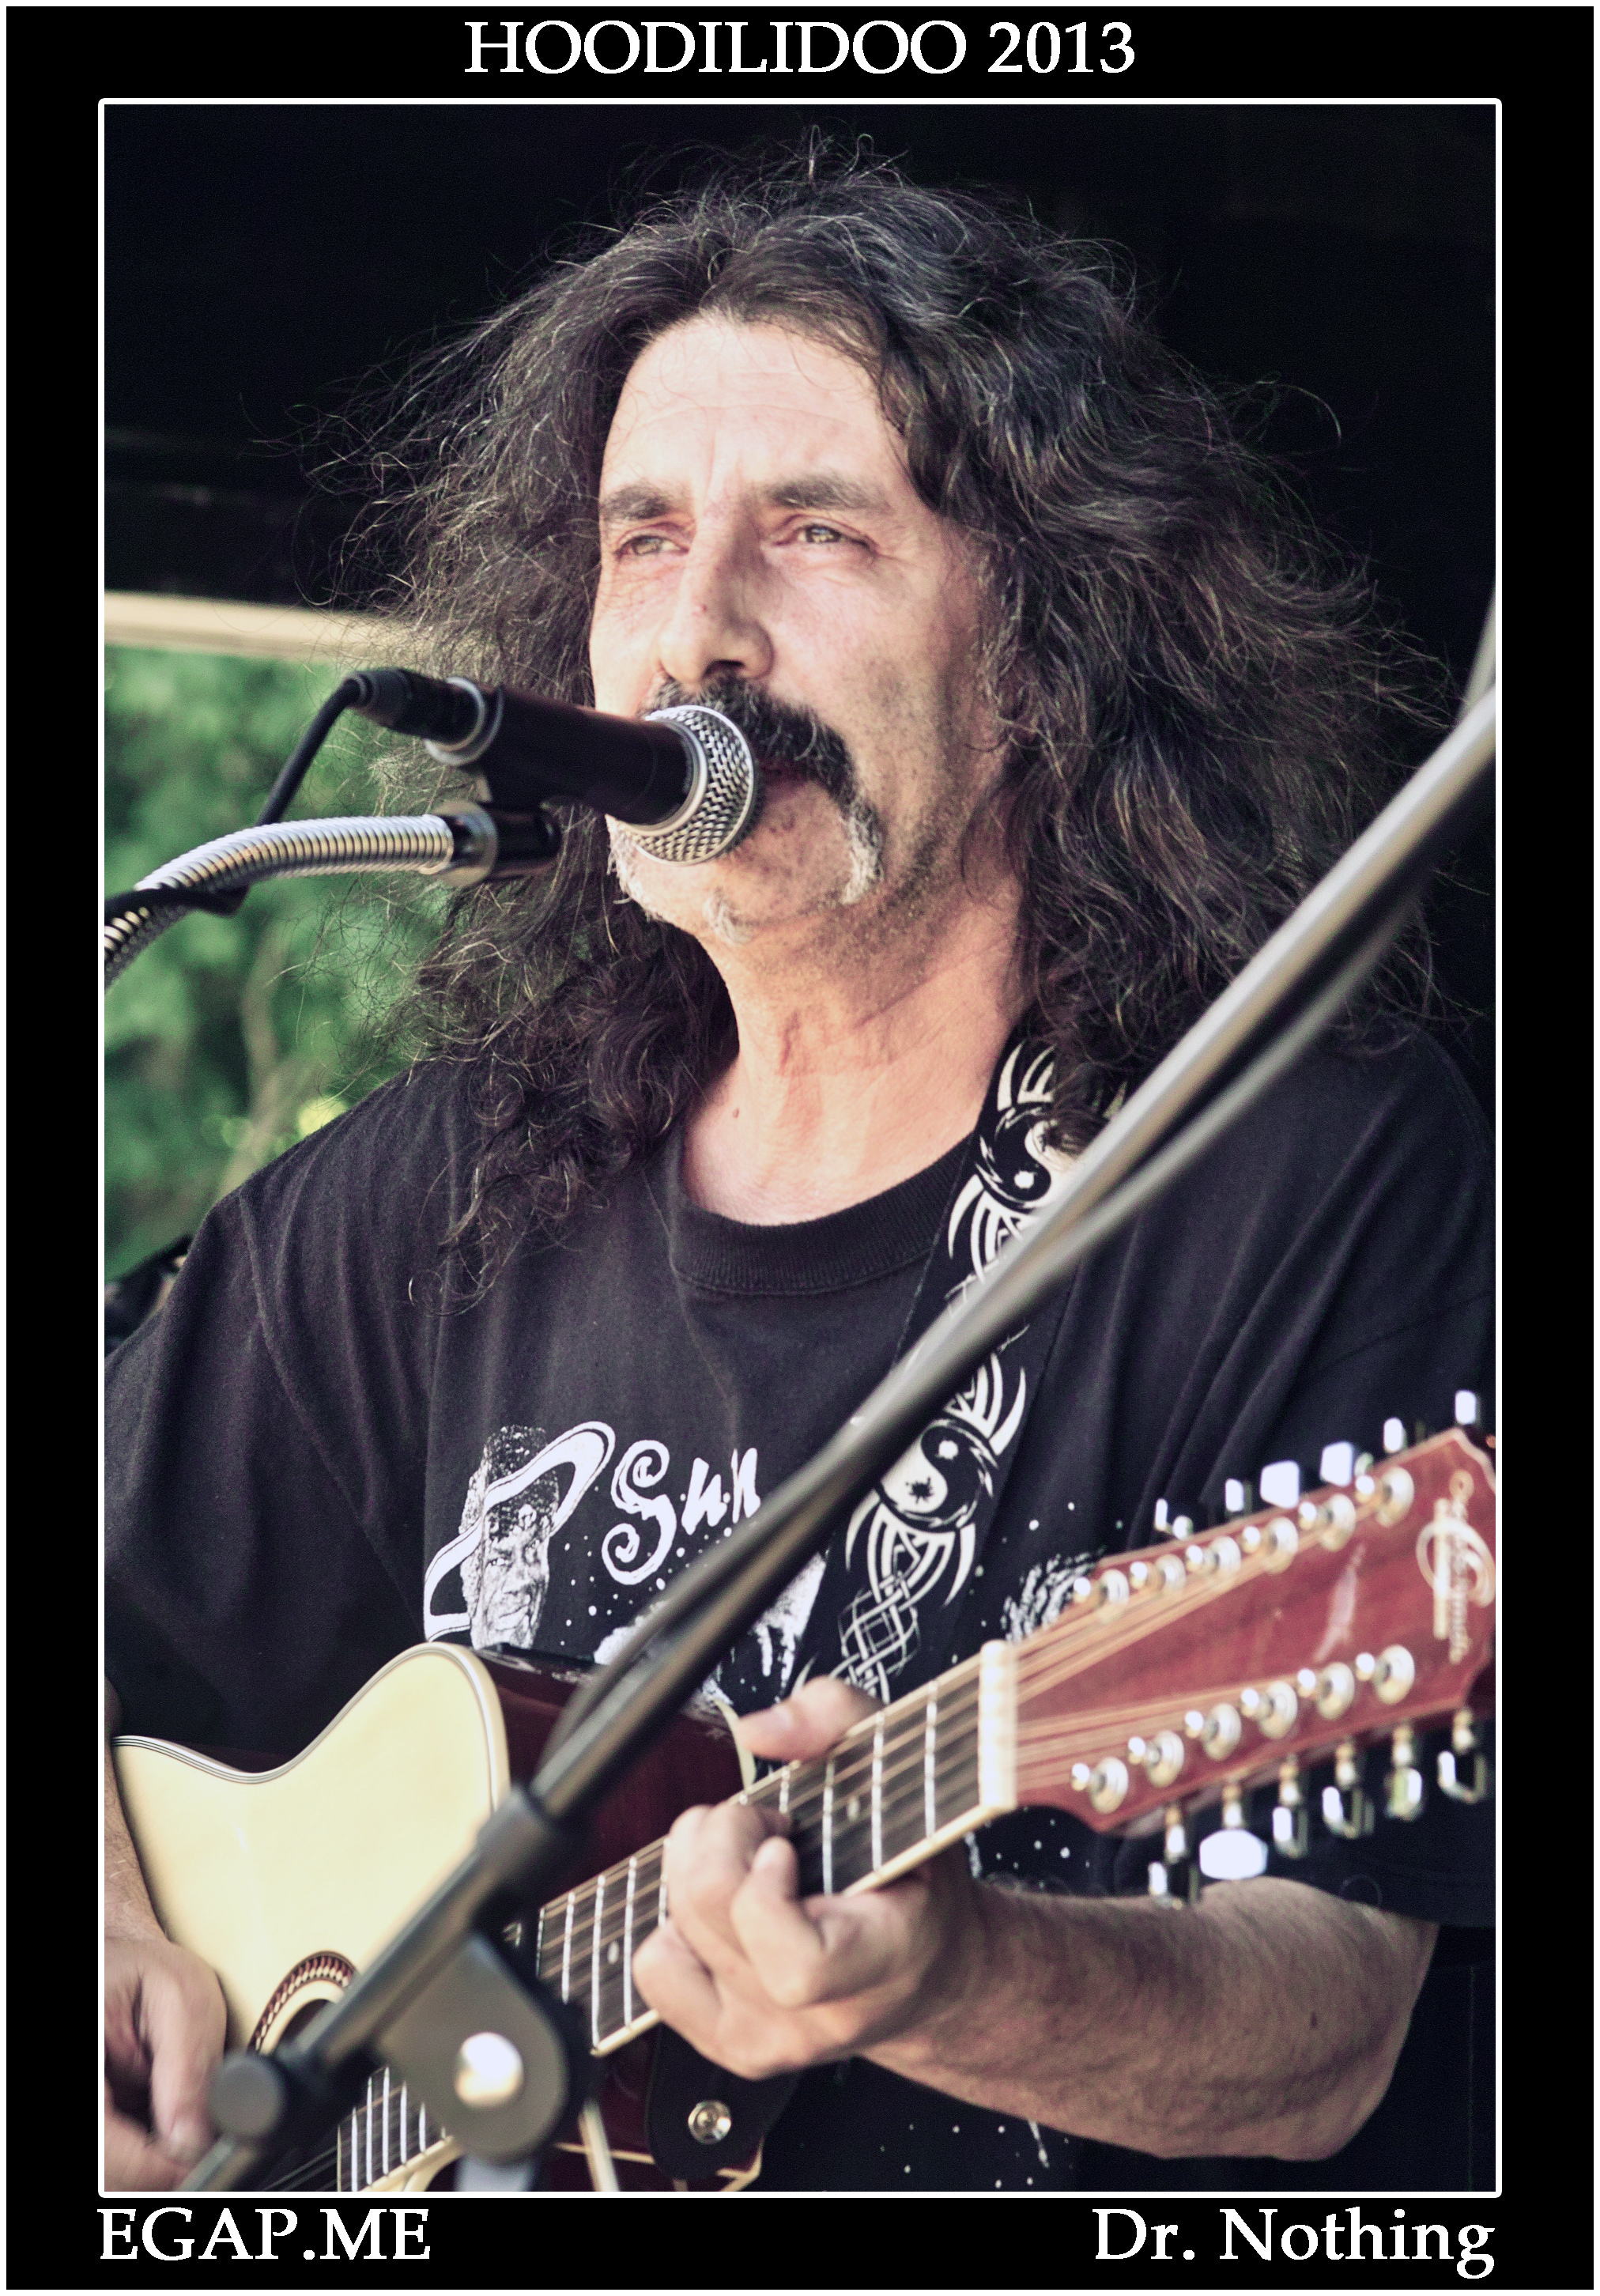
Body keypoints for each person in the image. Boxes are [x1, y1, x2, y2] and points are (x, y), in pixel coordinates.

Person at [105, 156, 1493, 2194]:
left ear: (1046, 648)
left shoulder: (1295, 1181)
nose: (698, 635)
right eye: (644, 539)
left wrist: (953, 1977)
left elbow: (1329, 2026)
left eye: (818, 532)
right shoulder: (462, 1182)